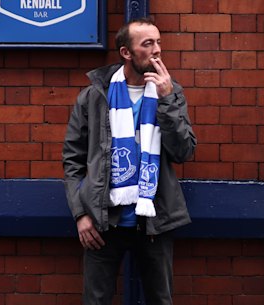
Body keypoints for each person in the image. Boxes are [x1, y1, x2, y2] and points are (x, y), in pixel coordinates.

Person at [62, 17, 196, 305]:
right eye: (148, 44)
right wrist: (81, 214)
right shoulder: (94, 96)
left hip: (154, 220)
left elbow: (183, 151)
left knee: (160, 300)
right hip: (103, 221)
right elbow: (73, 160)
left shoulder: (172, 93)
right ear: (126, 52)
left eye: (159, 42)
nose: (157, 50)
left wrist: (167, 100)